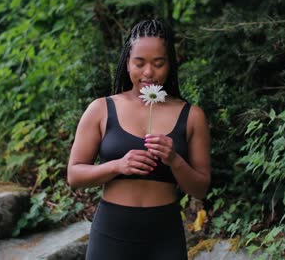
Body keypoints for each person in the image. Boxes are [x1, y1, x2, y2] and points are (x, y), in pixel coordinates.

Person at [67, 19, 211, 260]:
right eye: (139, 63)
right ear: (127, 62)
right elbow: (74, 175)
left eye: (158, 63)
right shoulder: (101, 109)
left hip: (165, 235)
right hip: (111, 233)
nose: (148, 72)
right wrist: (117, 166)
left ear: (170, 65)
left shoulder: (192, 116)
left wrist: (174, 160)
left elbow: (200, 188)